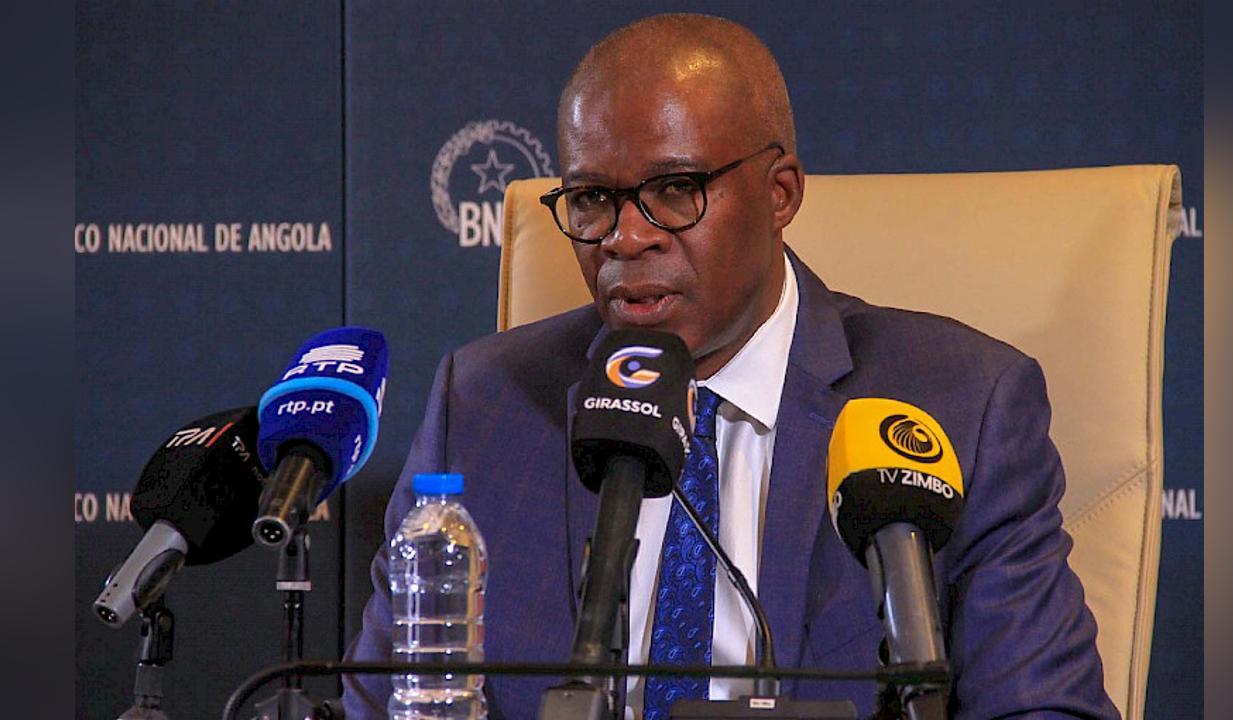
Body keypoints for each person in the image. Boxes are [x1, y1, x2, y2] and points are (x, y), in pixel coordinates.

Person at [344, 13, 1118, 720]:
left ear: (780, 195)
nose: (626, 237)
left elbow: (1044, 709)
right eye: (591, 199)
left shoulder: (960, 405)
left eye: (675, 190)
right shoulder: (484, 406)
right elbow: (386, 706)